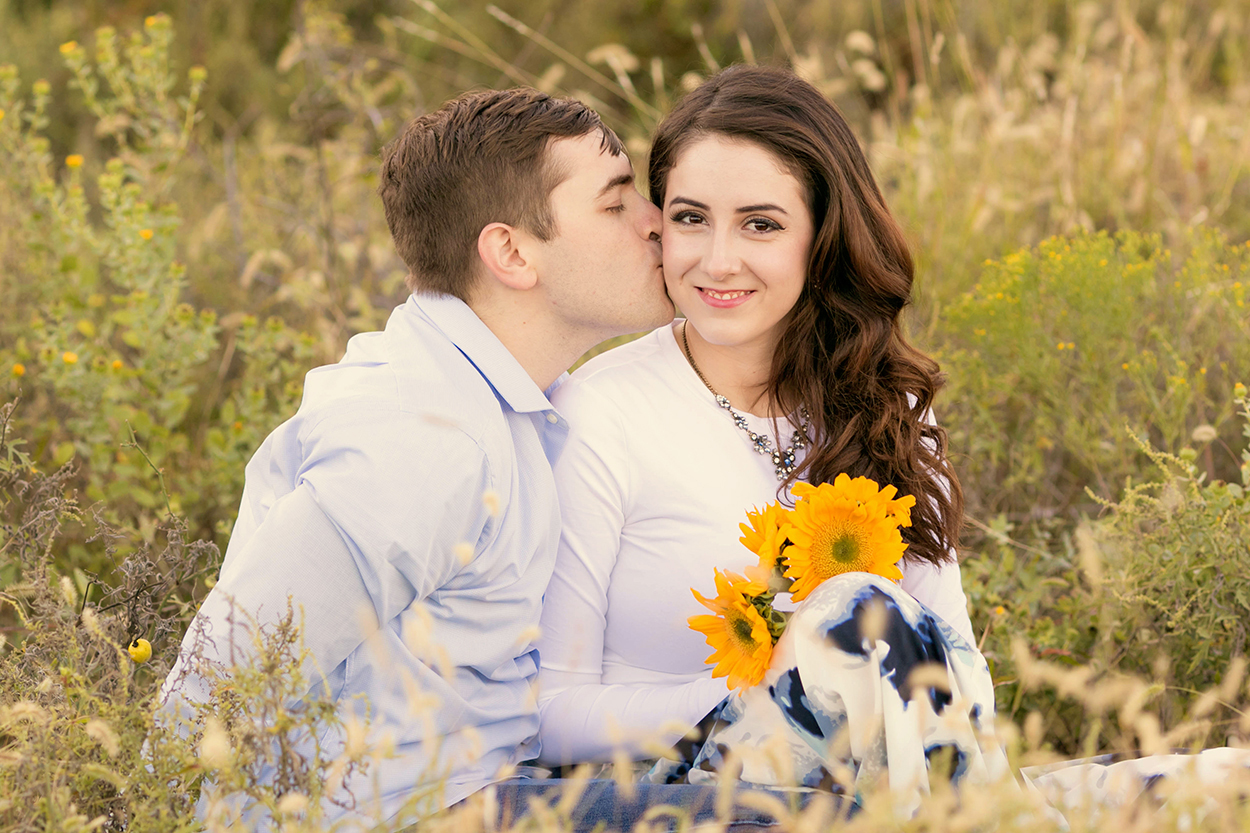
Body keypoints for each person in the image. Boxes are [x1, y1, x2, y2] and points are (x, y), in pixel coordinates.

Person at [158, 86, 673, 827]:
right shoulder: (423, 437)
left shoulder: (497, 399)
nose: (656, 224)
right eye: (617, 202)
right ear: (512, 252)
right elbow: (222, 678)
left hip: (487, 788)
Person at [535, 64, 1007, 813]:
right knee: (854, 611)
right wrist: (766, 679)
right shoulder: (601, 414)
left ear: (822, 235)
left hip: (891, 786)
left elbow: (951, 656)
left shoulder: (889, 400)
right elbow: (548, 711)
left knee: (1215, 777)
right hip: (681, 797)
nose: (717, 259)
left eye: (761, 223)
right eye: (690, 218)